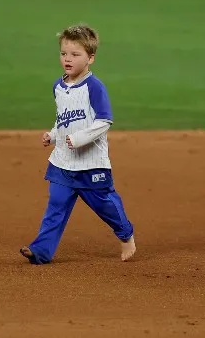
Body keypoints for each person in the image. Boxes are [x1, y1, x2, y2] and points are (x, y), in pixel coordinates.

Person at [21, 24, 135, 264]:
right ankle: (40, 251)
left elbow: (104, 121)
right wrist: (53, 136)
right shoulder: (58, 87)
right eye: (64, 53)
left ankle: (126, 235)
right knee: (56, 205)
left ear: (90, 58)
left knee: (105, 205)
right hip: (63, 162)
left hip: (91, 164)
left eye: (75, 54)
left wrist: (80, 139)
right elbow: (63, 120)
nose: (67, 59)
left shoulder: (95, 87)